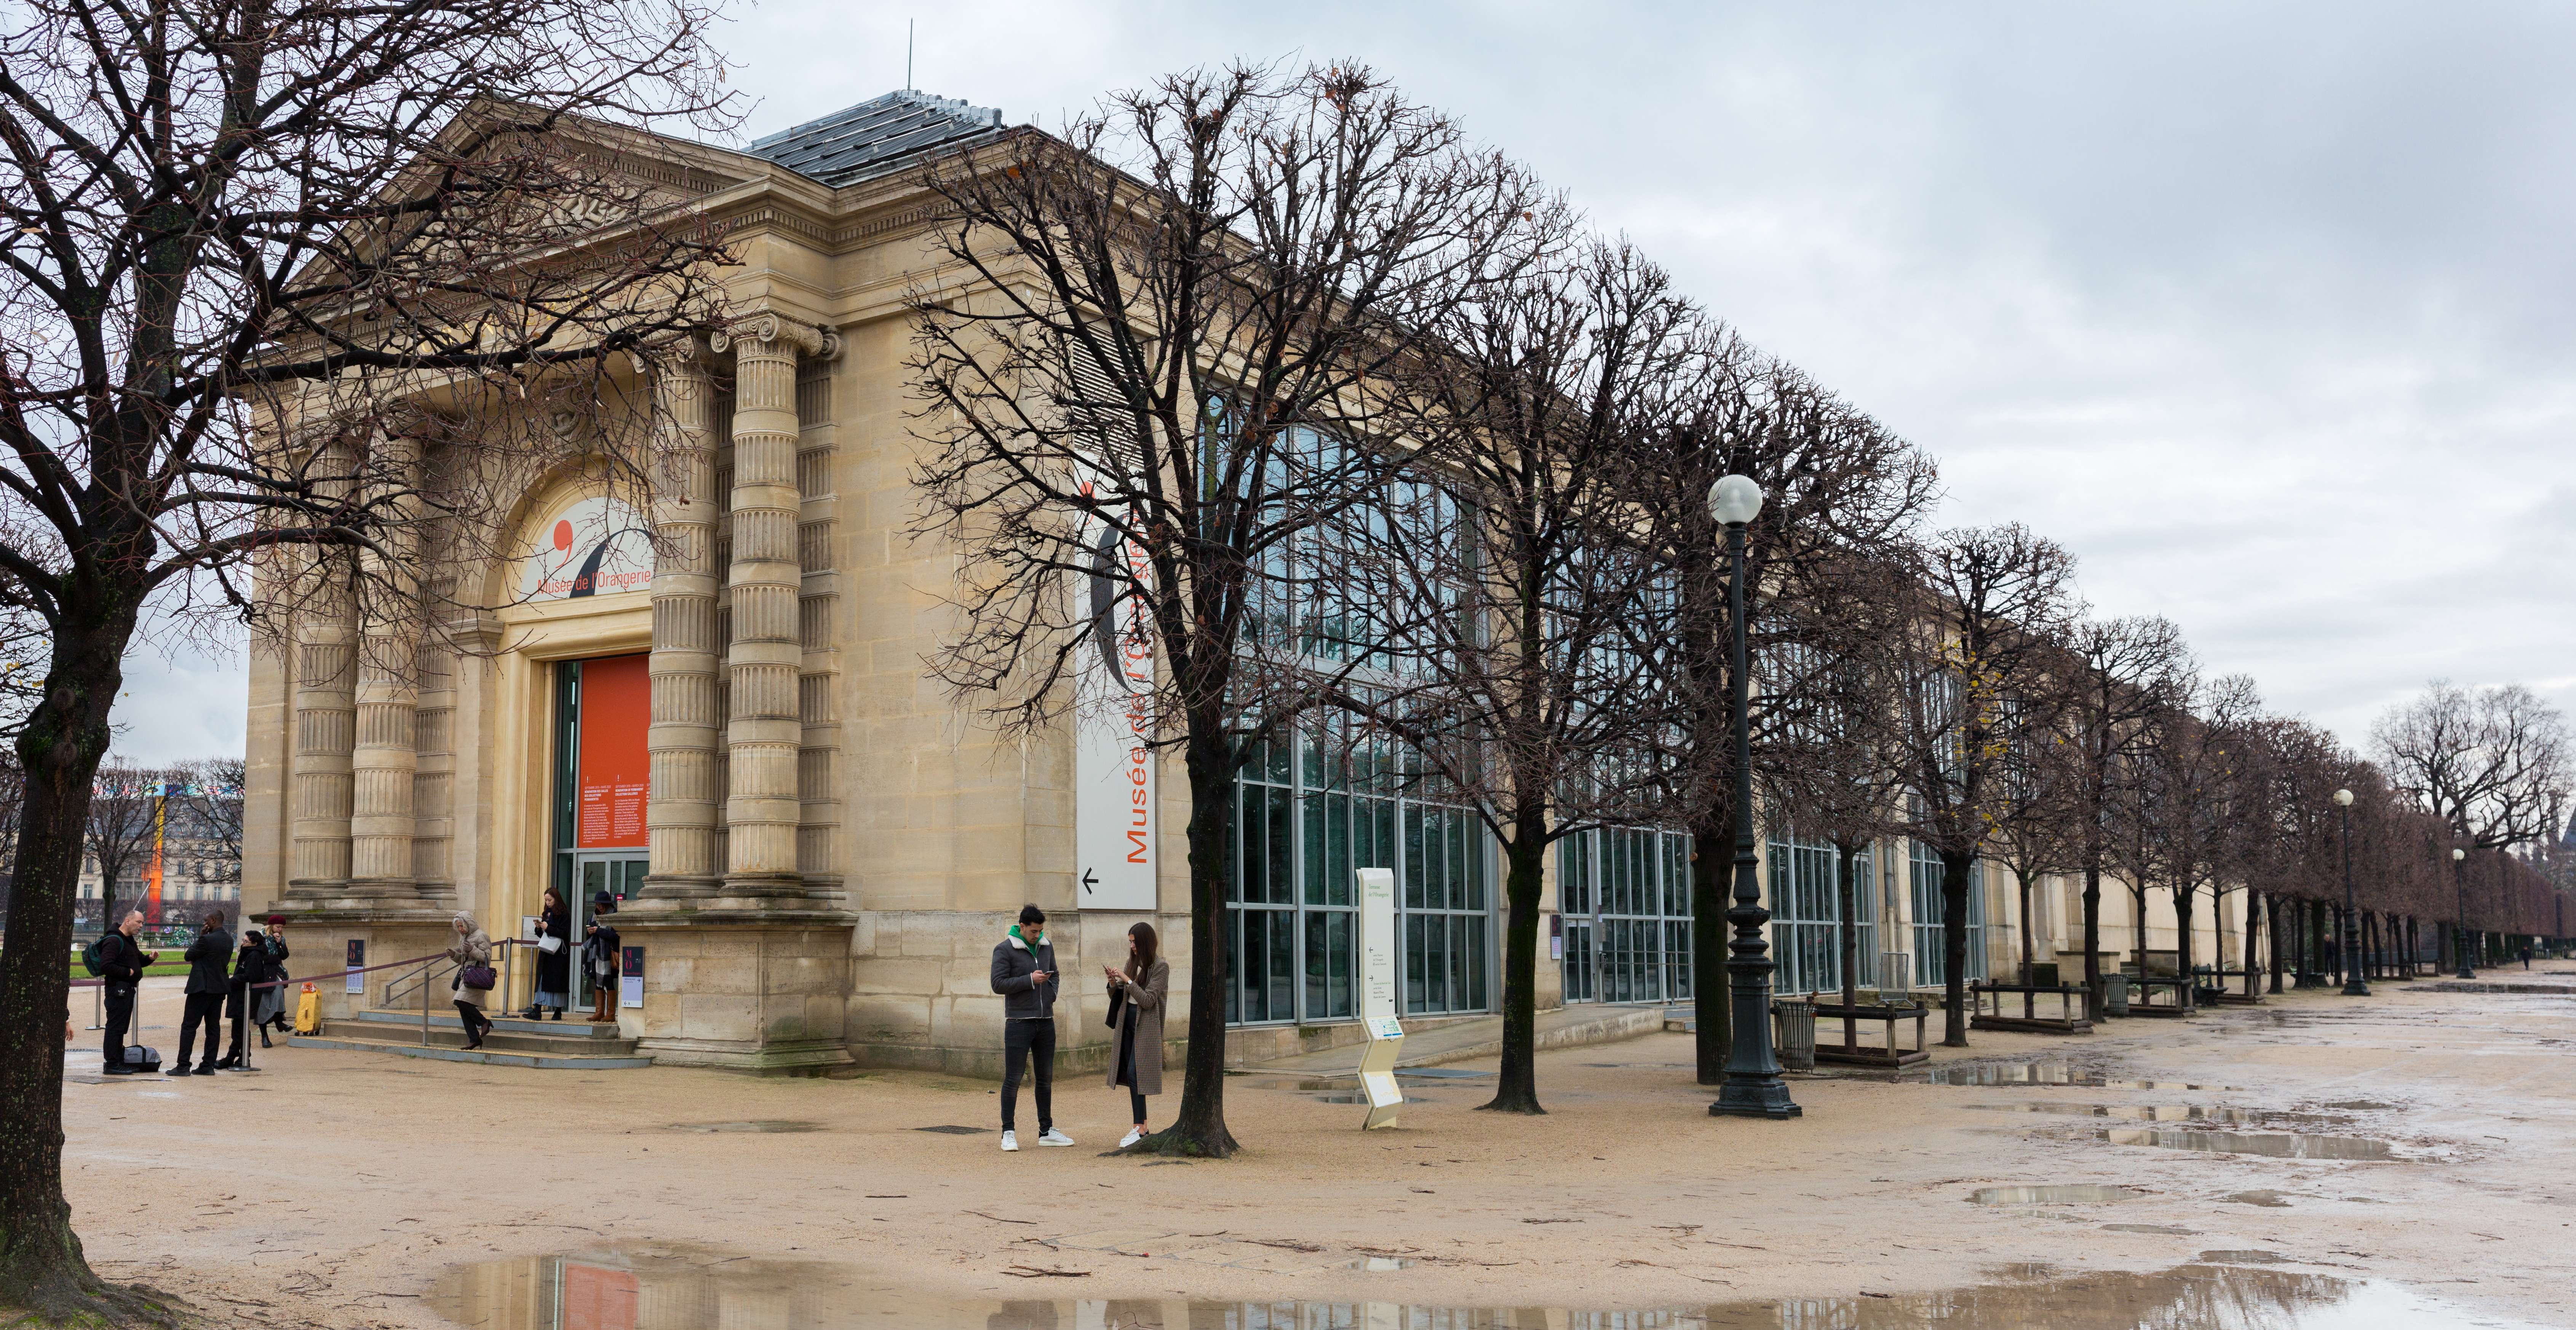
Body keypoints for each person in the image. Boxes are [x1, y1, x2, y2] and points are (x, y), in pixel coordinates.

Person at [989, 904, 1072, 1151]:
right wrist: (1030, 980)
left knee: (1045, 1079)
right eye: (1034, 931)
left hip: (1046, 1022)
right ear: (1022, 927)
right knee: (1013, 1079)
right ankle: (1008, 1132)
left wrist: (1051, 994)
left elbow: (1055, 975)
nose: (1038, 935)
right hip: (1018, 1022)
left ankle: (1046, 1131)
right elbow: (998, 984)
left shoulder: (1047, 946)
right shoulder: (1004, 949)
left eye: (1040, 931)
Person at [1101, 921, 1168, 1148]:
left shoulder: (1161, 967)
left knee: (1134, 1074)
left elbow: (1148, 1000)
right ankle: (1143, 1127)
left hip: (1146, 1027)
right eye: (1130, 942)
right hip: (1126, 1023)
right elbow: (1120, 996)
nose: (1132, 946)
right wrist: (1114, 982)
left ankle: (1138, 1129)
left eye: (1135, 942)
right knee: (1134, 1077)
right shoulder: (1132, 963)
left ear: (1145, 942)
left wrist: (1128, 980)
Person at [170, 910, 233, 1076]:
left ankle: (183, 1066)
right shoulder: (229, 939)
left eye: (206, 921)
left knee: (189, 1027)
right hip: (219, 988)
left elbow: (188, 955)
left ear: (213, 920)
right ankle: (208, 1065)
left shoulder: (207, 939)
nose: (204, 924)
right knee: (213, 1028)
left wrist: (201, 936)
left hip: (202, 988)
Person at [98, 910, 155, 1075]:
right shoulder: (114, 940)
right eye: (139, 922)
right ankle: (112, 1063)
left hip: (126, 990)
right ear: (128, 921)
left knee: (121, 1027)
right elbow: (106, 965)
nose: (141, 926)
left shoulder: (129, 940)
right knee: (115, 1027)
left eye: (143, 923)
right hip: (117, 990)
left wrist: (150, 958)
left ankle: (118, 1060)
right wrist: (126, 972)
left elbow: (138, 961)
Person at [215, 927, 270, 1068]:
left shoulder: (255, 955)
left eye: (246, 941)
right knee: (239, 1029)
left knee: (241, 1029)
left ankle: (239, 1057)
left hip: (246, 996)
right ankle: (237, 1057)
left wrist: (231, 981)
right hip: (240, 995)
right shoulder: (249, 953)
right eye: (243, 940)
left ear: (254, 944)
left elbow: (250, 976)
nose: (243, 943)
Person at [450, 913, 496, 1049]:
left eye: (461, 926)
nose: (460, 929)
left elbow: (487, 958)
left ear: (468, 924)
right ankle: (474, 1039)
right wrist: (454, 955)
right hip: (467, 976)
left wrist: (473, 949)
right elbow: (465, 960)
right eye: (458, 927)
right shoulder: (465, 937)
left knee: (460, 1001)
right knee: (462, 1005)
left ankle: (484, 1022)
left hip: (477, 976)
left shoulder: (481, 936)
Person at [525, 886, 570, 1020]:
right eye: (546, 900)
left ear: (556, 899)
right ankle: (537, 1010)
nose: (548, 903)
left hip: (559, 955)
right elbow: (544, 935)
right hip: (546, 952)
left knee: (558, 982)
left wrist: (548, 928)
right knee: (541, 981)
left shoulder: (564, 914)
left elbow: (564, 933)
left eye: (550, 900)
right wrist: (539, 928)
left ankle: (558, 1011)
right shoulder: (547, 913)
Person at [581, 891, 622, 1024]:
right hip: (595, 954)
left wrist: (598, 931)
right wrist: (591, 931)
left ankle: (611, 1014)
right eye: (597, 905)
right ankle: (599, 1012)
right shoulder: (594, 915)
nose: (599, 907)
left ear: (607, 904)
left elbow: (617, 936)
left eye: (601, 905)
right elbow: (591, 935)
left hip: (608, 954)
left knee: (609, 982)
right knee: (597, 981)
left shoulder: (614, 914)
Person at [256, 916, 292, 1035]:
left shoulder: (281, 939)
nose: (280, 929)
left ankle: (279, 1022)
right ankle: (264, 1036)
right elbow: (260, 957)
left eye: (282, 927)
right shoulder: (260, 937)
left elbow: (284, 956)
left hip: (276, 972)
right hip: (262, 973)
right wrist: (275, 958)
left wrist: (279, 943)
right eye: (278, 927)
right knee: (263, 1003)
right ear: (271, 926)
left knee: (278, 994)